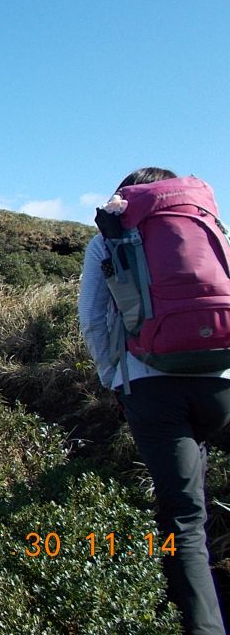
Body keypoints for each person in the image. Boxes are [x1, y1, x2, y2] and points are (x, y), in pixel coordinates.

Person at [79, 166, 230, 635]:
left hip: (152, 388)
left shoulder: (111, 237)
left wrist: (114, 377)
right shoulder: (211, 228)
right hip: (221, 381)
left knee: (184, 518)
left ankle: (201, 625)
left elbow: (95, 320)